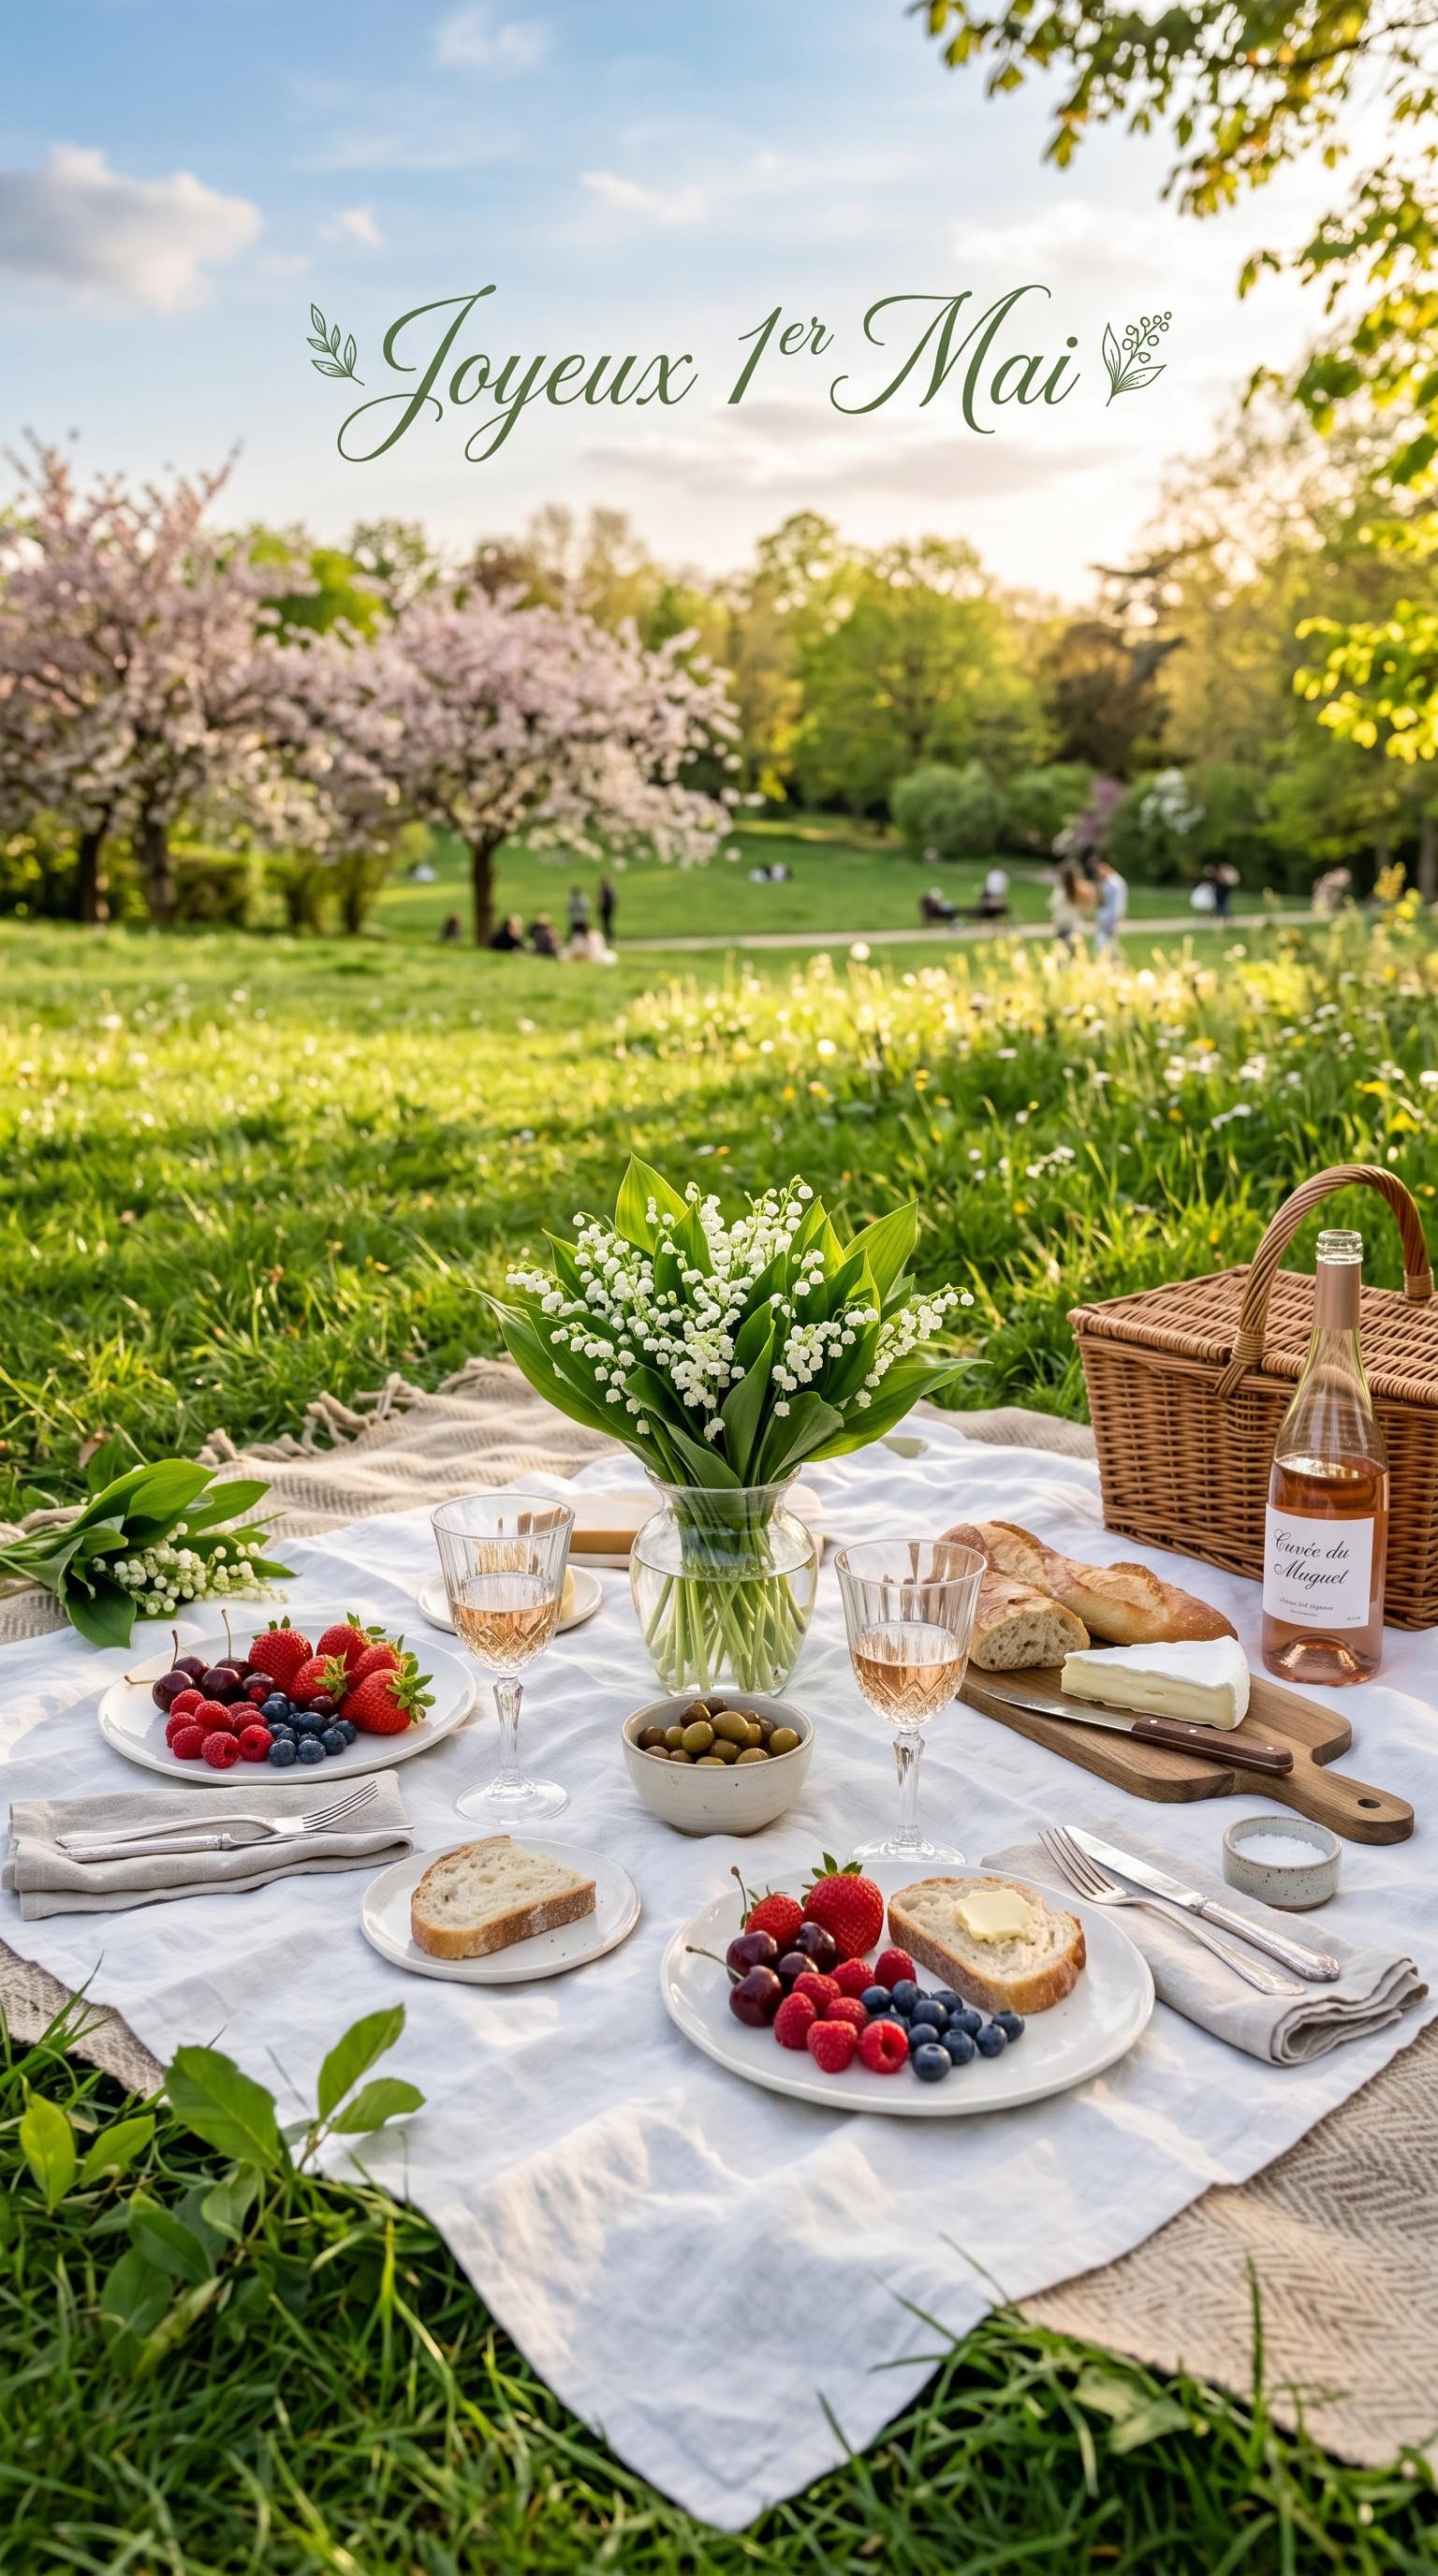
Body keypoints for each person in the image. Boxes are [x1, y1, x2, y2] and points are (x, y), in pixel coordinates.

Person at [1049, 862, 1093, 949]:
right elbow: (1086, 911)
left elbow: (1053, 906)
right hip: (1076, 928)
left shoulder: (1060, 891)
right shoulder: (1081, 892)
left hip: (1062, 927)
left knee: (1062, 957)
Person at [1093, 857, 1129, 956]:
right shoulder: (1105, 881)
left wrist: (1119, 915)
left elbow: (1119, 900)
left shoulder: (1115, 882)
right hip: (1104, 916)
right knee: (1104, 940)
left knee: (1110, 941)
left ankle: (1113, 959)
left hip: (1112, 916)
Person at [598, 875, 617, 944]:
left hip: (607, 909)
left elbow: (609, 901)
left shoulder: (608, 891)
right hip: (605, 910)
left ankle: (609, 937)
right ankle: (607, 937)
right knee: (605, 924)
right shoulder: (604, 890)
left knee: (607, 924)